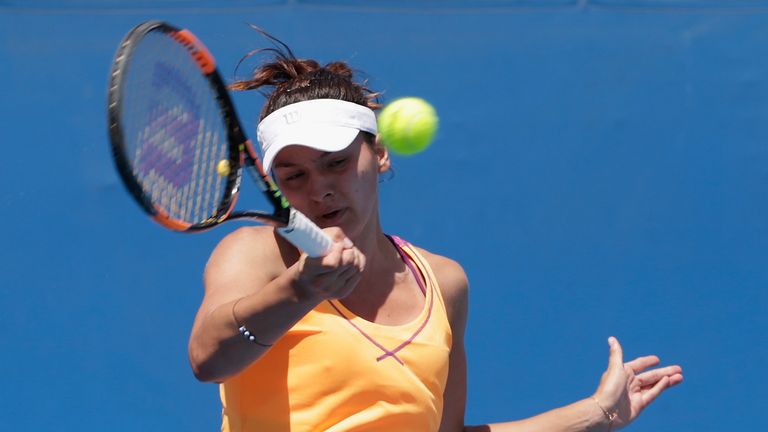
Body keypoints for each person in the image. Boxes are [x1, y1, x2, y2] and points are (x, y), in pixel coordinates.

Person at [187, 35, 684, 432]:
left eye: (336, 163)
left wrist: (597, 414)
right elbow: (210, 358)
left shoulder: (444, 283)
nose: (320, 190)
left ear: (378, 154)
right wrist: (300, 289)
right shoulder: (256, 252)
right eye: (295, 176)